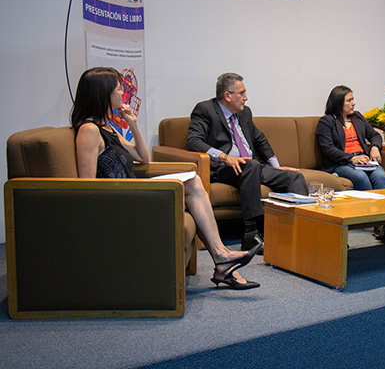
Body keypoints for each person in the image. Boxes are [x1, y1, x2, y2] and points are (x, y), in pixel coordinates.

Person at [72, 67, 261, 290]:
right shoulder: (89, 131)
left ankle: (222, 260)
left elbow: (142, 157)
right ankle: (222, 258)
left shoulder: (107, 128)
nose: (123, 94)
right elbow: (85, 186)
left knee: (193, 180)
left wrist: (132, 123)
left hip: (128, 194)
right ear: (103, 94)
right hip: (118, 203)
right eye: (119, 89)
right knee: (192, 184)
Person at [186, 72, 308, 254]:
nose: (246, 98)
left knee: (295, 177)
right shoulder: (205, 110)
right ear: (227, 96)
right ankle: (251, 234)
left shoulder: (245, 113)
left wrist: (276, 166)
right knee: (251, 165)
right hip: (223, 169)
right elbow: (193, 141)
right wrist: (224, 157)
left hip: (251, 167)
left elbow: (259, 139)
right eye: (242, 93)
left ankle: (301, 232)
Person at [315, 85, 385, 190]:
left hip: (363, 160)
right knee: (361, 177)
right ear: (338, 103)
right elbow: (328, 148)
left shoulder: (357, 117)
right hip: (341, 163)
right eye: (349, 100)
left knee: (381, 176)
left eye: (353, 99)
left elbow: (374, 135)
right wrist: (351, 158)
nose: (353, 103)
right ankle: (366, 206)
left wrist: (375, 147)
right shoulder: (326, 121)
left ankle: (383, 205)